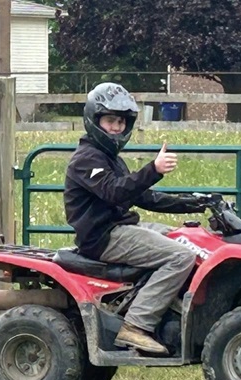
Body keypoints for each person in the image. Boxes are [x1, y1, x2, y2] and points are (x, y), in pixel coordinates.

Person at [63, 82, 206, 355]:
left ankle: (171, 311)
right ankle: (136, 325)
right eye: (110, 121)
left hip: (121, 228)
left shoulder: (110, 158)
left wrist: (194, 203)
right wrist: (153, 169)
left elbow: (142, 196)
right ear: (94, 120)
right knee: (181, 257)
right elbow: (115, 192)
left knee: (186, 239)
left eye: (120, 121)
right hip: (104, 237)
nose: (116, 127)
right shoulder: (86, 159)